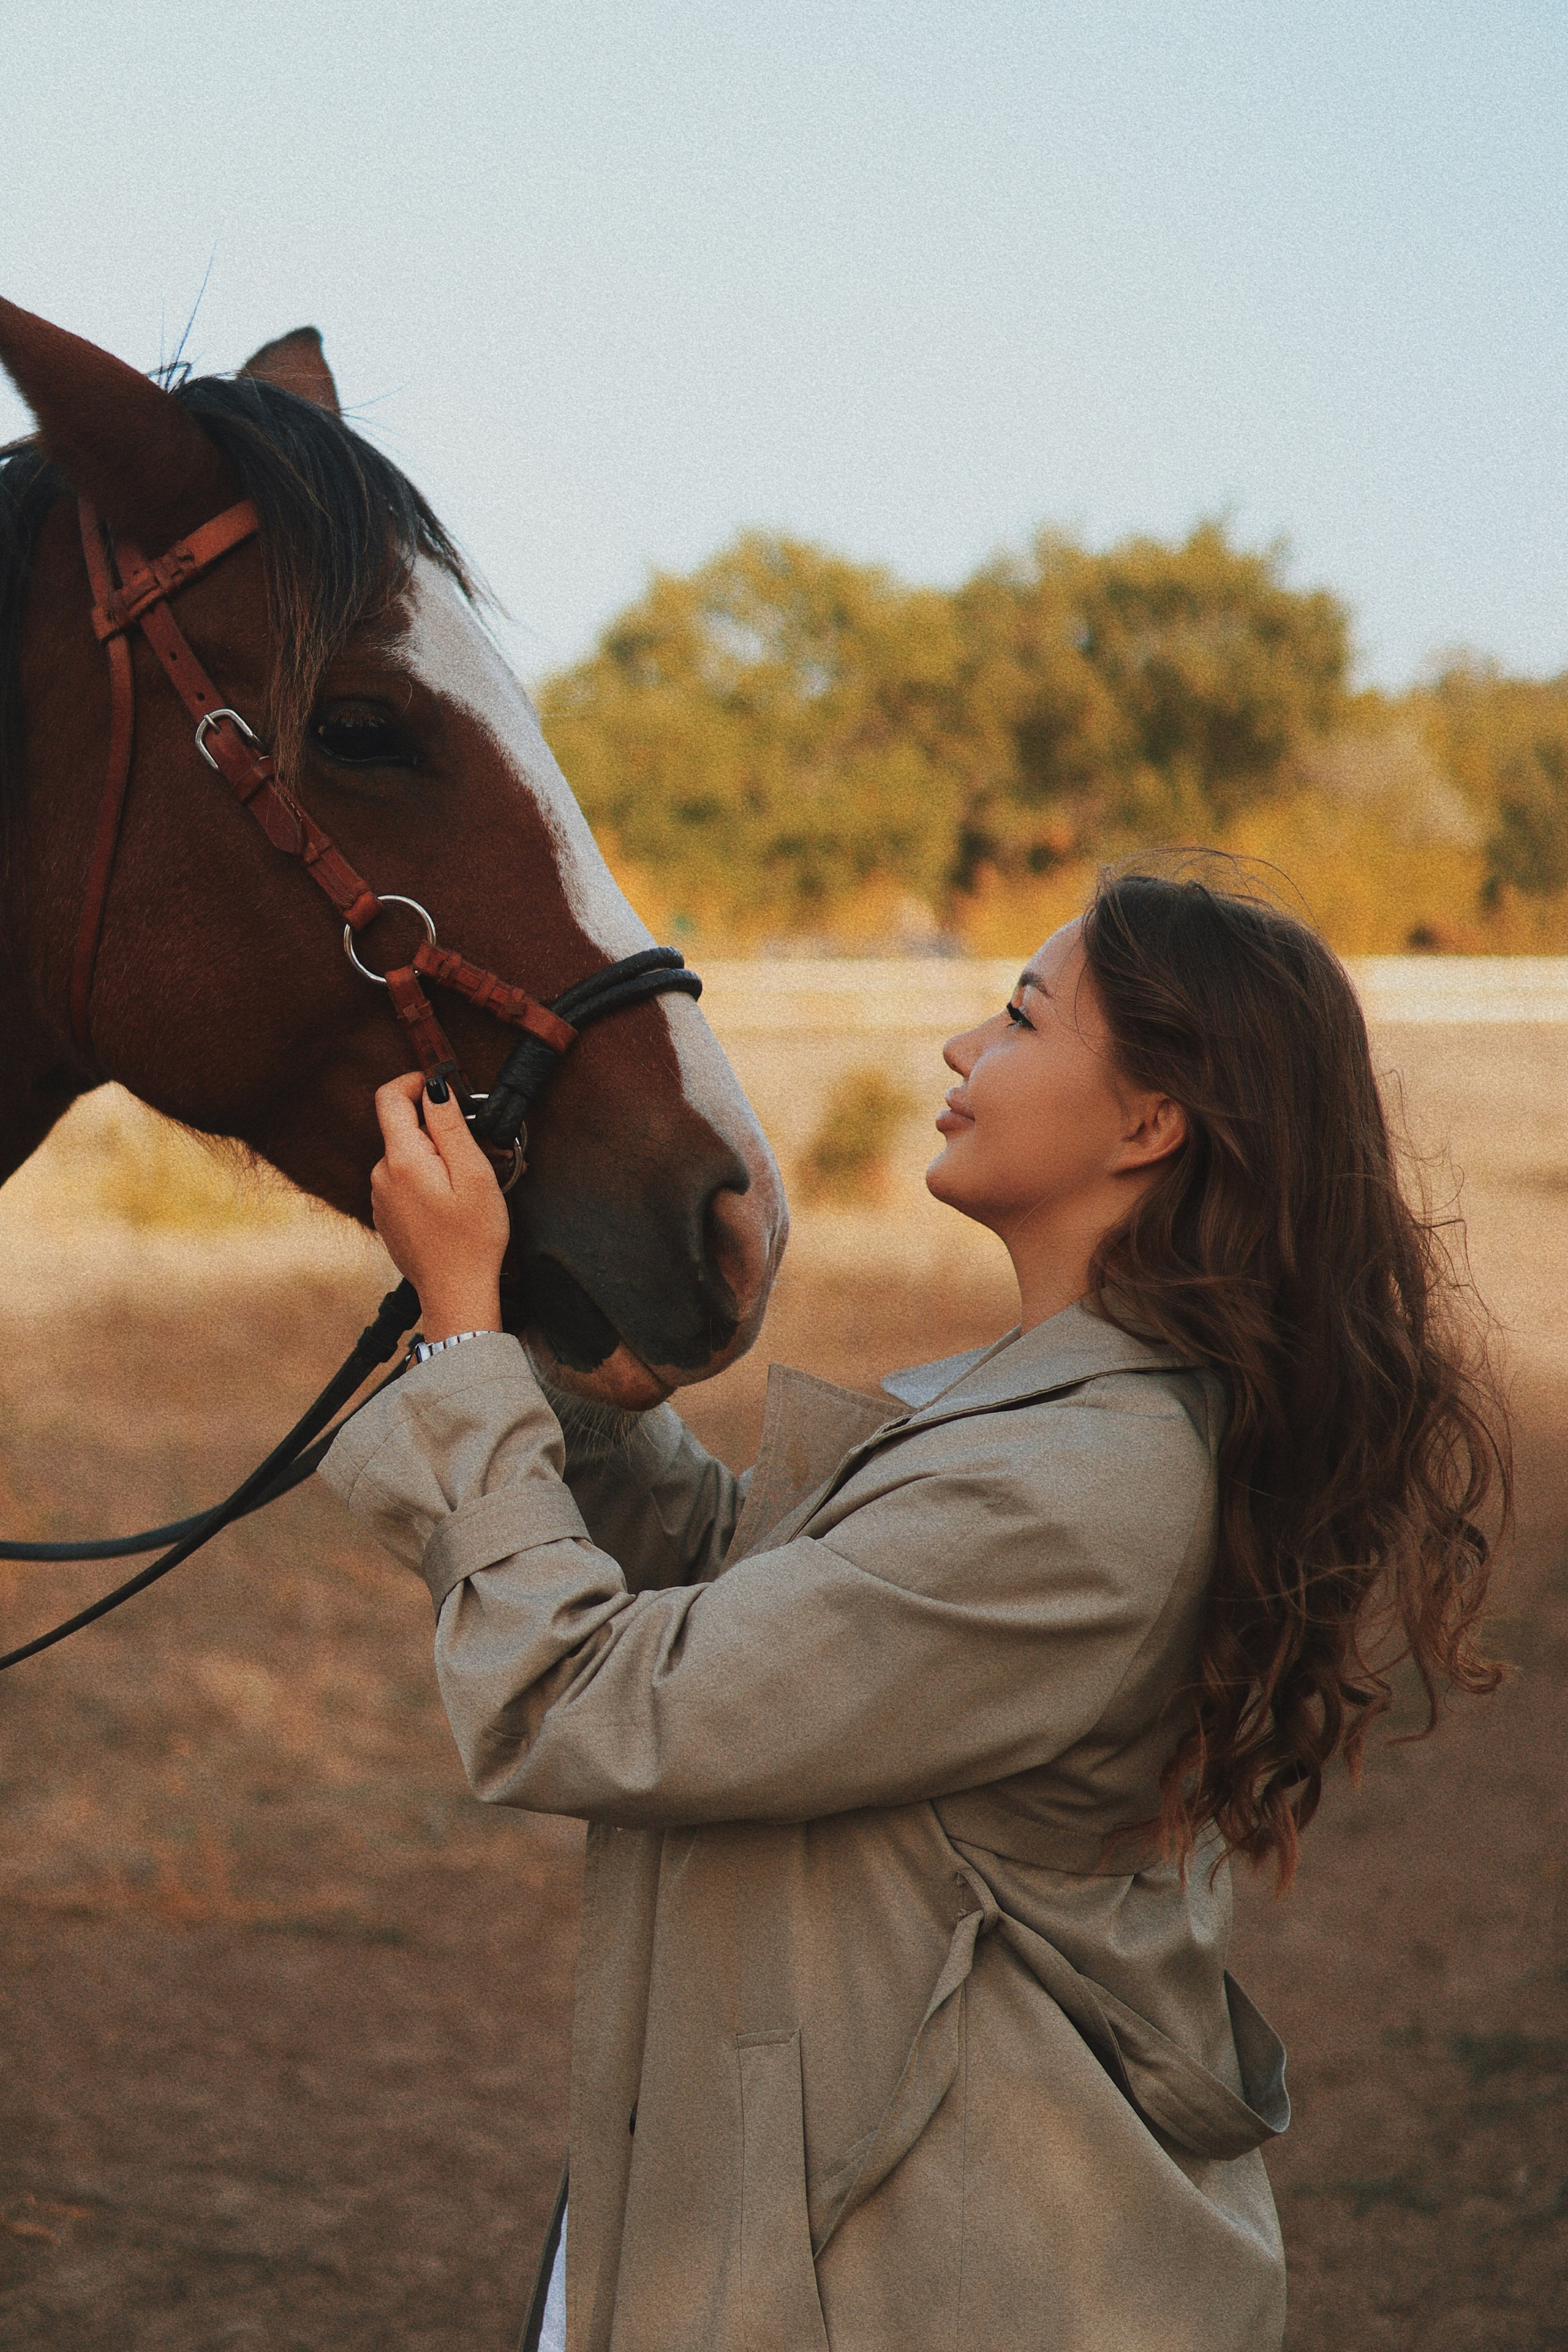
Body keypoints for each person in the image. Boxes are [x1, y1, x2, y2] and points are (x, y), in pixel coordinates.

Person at [322, 870, 1508, 2352]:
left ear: (1149, 1124)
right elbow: (746, 1597)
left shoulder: (1077, 1485)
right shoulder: (1046, 1414)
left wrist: (460, 1336)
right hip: (827, 2216)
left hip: (905, 2277)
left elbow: (599, 1707)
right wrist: (574, 1380)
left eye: (1017, 1017)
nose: (959, 1047)